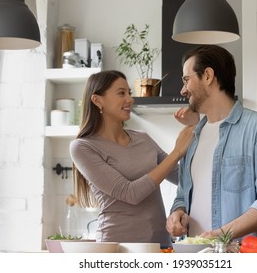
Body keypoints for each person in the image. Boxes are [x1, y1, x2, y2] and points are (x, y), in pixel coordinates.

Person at [166, 45, 257, 241]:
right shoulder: (192, 136)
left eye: (187, 80)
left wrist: (220, 236)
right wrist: (177, 213)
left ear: (207, 76)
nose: (183, 90)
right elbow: (182, 195)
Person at [70, 70, 194, 248]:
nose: (130, 99)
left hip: (160, 245)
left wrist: (195, 126)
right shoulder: (83, 147)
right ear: (98, 100)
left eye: (129, 92)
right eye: (121, 93)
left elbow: (183, 177)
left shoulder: (143, 138)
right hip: (118, 249)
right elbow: (131, 193)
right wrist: (177, 152)